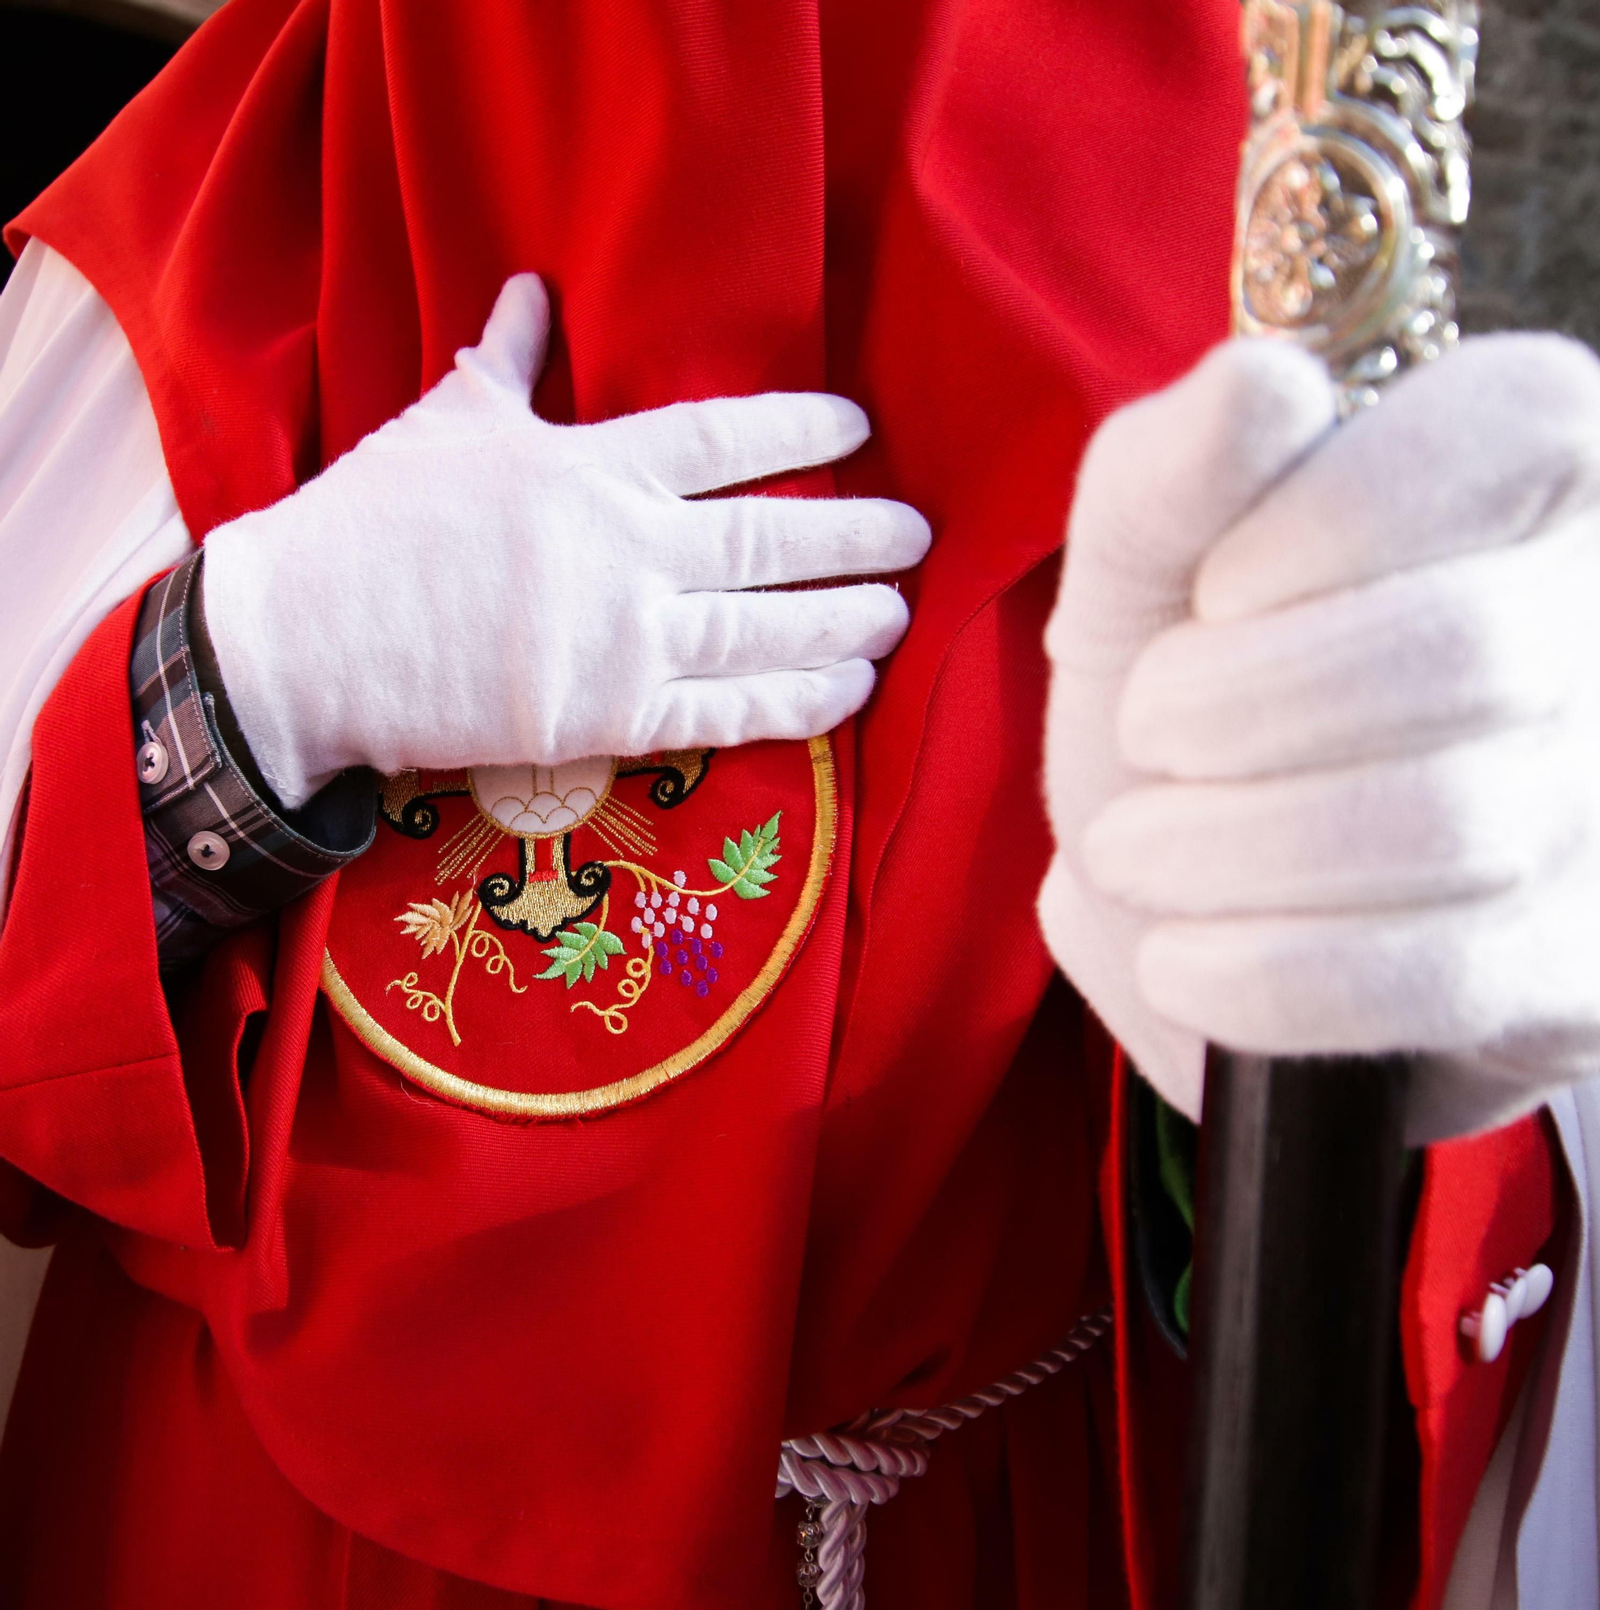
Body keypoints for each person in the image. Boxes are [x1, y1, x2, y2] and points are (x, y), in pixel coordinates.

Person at [0, 0, 1594, 1605]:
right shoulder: (261, 164)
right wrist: (242, 676)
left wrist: (1301, 983)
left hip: (1007, 1507)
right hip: (294, 1530)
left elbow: (1429, 1045)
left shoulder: (1314, 174)